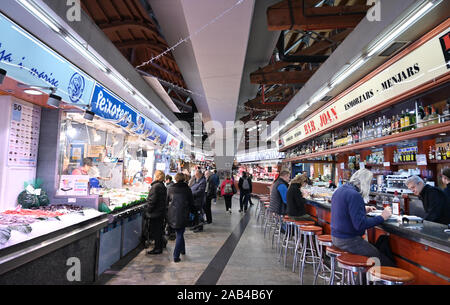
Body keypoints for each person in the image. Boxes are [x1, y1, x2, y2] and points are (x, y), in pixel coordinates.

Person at [331, 168, 393, 266]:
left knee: (373, 251)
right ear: (365, 182)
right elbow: (360, 225)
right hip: (348, 240)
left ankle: (362, 279)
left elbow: (345, 212)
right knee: (379, 258)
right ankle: (366, 280)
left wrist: (362, 210)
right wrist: (382, 217)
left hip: (336, 237)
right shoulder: (354, 195)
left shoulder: (341, 190)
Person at [167, 173, 194, 262]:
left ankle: (182, 250)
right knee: (180, 233)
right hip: (183, 214)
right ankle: (176, 256)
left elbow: (166, 201)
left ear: (176, 179)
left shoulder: (170, 188)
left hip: (172, 214)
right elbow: (191, 203)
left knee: (179, 233)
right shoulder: (187, 189)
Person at [146, 170, 167, 255]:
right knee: (159, 231)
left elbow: (152, 201)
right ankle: (159, 246)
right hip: (160, 212)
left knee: (156, 231)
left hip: (155, 213)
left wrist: (148, 210)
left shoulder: (155, 186)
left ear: (157, 176)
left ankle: (157, 248)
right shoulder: (162, 186)